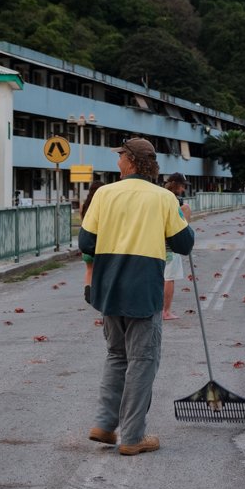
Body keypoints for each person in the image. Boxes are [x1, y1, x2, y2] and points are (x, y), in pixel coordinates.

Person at [79, 138, 194, 455]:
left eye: (120, 157)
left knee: (117, 356)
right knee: (142, 362)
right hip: (143, 289)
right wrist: (183, 219)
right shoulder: (164, 198)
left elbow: (86, 243)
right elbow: (183, 244)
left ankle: (104, 425)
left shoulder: (104, 194)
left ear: (131, 161)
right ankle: (132, 437)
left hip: (108, 289)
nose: (117, 162)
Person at [162, 173, 192, 320]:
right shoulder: (178, 204)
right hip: (171, 247)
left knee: (159, 278)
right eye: (183, 186)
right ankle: (166, 311)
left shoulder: (159, 197)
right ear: (178, 185)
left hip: (155, 245)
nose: (184, 190)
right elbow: (182, 228)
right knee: (169, 278)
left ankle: (157, 309)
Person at [81, 180, 104, 304]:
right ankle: (99, 293)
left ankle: (88, 290)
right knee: (101, 270)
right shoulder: (102, 206)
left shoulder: (84, 206)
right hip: (99, 243)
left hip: (87, 240)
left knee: (89, 269)